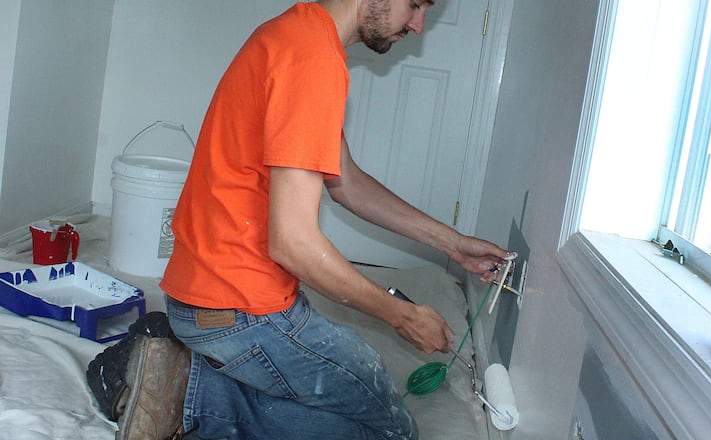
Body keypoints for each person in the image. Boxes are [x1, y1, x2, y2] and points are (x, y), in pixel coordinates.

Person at [121, 1, 511, 438]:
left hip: (207, 296)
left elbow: (345, 181)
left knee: (350, 407)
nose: (418, 25)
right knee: (393, 432)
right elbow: (293, 243)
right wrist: (400, 314)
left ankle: (187, 377)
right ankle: (192, 396)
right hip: (239, 309)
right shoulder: (313, 60)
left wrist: (451, 242)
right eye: (415, 4)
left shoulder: (296, 35)